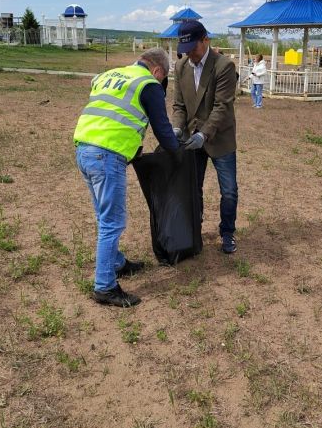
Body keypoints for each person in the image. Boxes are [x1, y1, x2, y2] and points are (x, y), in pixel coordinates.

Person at [74, 48, 178, 307]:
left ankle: (117, 262)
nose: (160, 84)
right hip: (107, 156)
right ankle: (105, 286)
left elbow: (112, 116)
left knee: (103, 215)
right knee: (112, 222)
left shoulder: (111, 75)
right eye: (162, 79)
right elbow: (164, 131)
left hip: (84, 149)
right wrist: (178, 152)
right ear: (157, 71)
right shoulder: (148, 84)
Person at [171, 20, 239, 254]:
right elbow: (179, 105)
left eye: (194, 47)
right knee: (193, 188)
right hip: (193, 139)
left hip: (220, 138)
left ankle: (227, 232)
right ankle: (194, 231)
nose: (190, 53)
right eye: (185, 49)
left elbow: (222, 107)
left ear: (205, 40)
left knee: (228, 190)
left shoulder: (223, 66)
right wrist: (177, 128)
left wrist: (204, 134)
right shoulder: (181, 68)